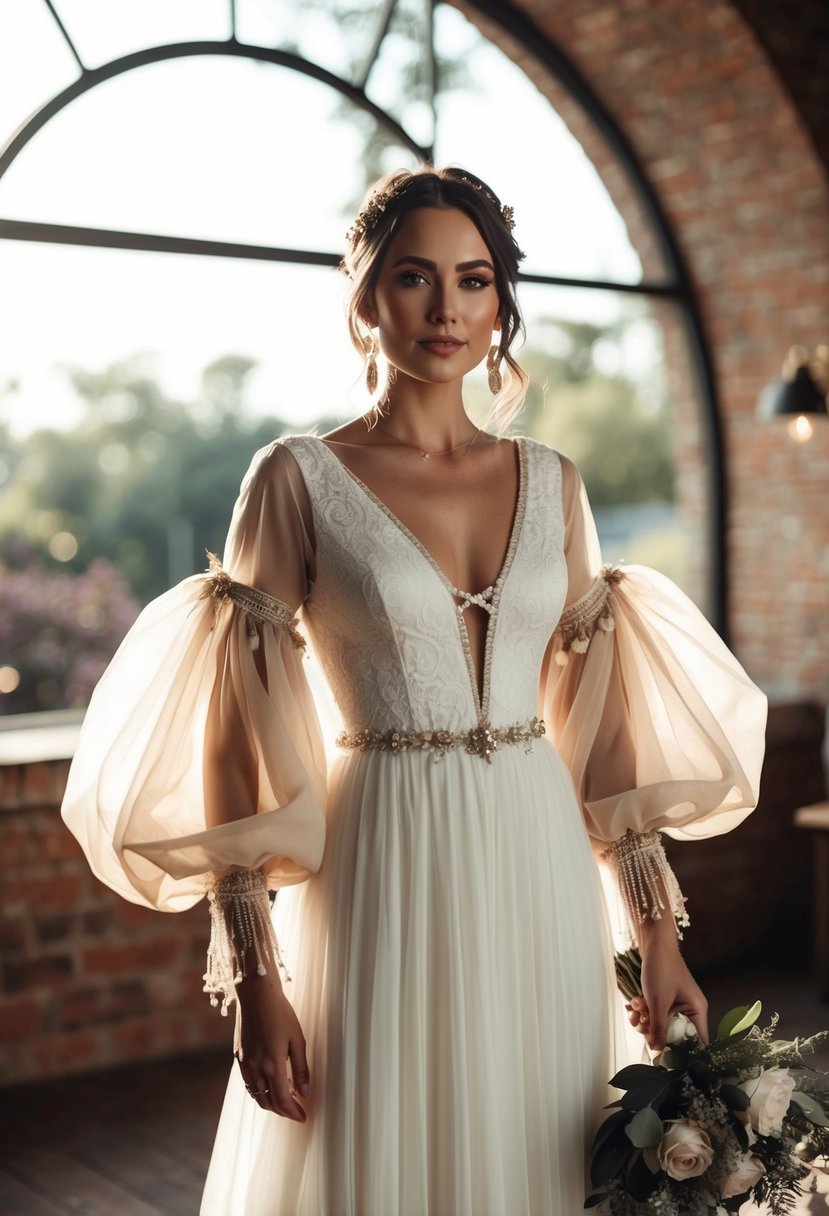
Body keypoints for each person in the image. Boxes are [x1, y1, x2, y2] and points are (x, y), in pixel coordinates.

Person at [61, 165, 767, 1214]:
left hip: (537, 861)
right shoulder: (295, 478)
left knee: (539, 1137)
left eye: (473, 281)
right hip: (380, 859)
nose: (446, 309)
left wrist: (655, 939)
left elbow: (601, 722)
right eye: (413, 278)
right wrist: (257, 977)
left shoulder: (554, 481)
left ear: (501, 305)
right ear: (364, 297)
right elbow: (232, 734)